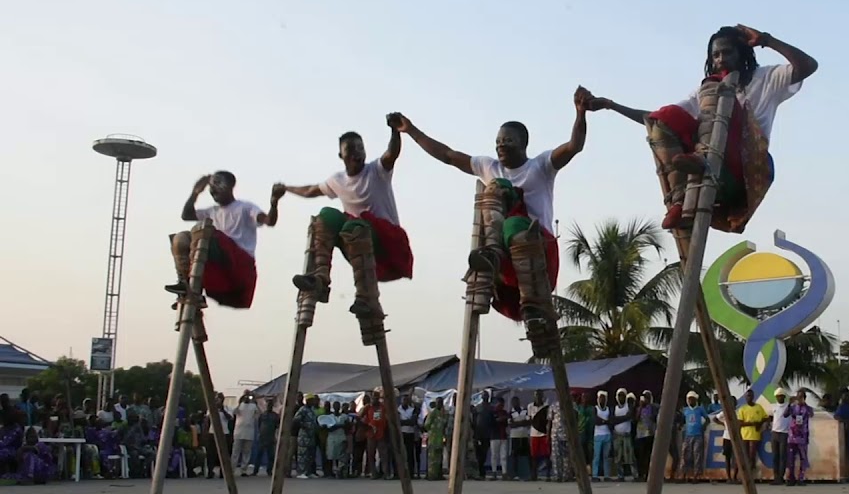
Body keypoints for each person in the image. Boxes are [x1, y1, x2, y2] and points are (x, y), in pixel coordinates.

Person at [388, 88, 589, 333]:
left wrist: (580, 113)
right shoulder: (488, 166)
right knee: (494, 189)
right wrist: (410, 131)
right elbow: (448, 156)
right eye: (498, 142)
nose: (501, 146)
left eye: (507, 140)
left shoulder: (540, 167)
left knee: (504, 197)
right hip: (504, 252)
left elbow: (573, 146)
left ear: (523, 144)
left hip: (536, 247)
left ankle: (531, 307)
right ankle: (492, 258)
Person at [585, 25, 818, 231]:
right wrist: (611, 106)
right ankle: (679, 199)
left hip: (745, 163)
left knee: (716, 89)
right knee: (664, 118)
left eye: (727, 52)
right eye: (715, 55)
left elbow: (808, 65)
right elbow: (656, 118)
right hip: (712, 154)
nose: (720, 60)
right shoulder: (704, 92)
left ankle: (702, 157)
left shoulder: (766, 77)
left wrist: (767, 40)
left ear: (742, 53)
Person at [280, 120, 409, 318]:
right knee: (325, 216)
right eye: (351, 149)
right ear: (341, 155)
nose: (357, 152)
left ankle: (366, 297)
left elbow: (392, 154)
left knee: (355, 224)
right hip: (355, 241)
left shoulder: (377, 171)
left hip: (386, 244)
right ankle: (320, 278)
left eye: (360, 148)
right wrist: (286, 189)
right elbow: (309, 191)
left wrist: (395, 131)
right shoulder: (337, 180)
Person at [165, 171, 283, 308]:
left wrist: (274, 203)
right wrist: (195, 192)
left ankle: (193, 286)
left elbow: (269, 221)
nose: (213, 189)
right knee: (181, 240)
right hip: (220, 266)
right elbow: (186, 215)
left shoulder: (245, 208)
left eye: (217, 184)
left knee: (205, 232)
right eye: (211, 186)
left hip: (240, 264)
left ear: (230, 186)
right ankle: (187, 287)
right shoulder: (213, 211)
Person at [736, 389, 768, 482]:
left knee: (752, 455)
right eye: (747, 396)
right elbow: (740, 423)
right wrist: (752, 423)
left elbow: (765, 418)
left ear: (753, 396)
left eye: (750, 396)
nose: (748, 397)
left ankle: (750, 475)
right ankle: (744, 476)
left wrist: (759, 423)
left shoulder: (759, 407)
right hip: (745, 435)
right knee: (745, 456)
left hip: (755, 435)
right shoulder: (742, 409)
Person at [784, 392, 815, 486]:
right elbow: (785, 415)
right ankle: (791, 478)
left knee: (803, 459)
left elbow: (811, 414)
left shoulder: (808, 408)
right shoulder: (793, 407)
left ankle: (800, 478)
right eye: (798, 396)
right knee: (790, 459)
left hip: (802, 437)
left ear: (804, 398)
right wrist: (789, 404)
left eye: (801, 397)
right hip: (792, 437)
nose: (799, 398)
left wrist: (804, 405)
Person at [679, 392, 709, 483]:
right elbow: (683, 420)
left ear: (695, 400)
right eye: (689, 399)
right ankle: (684, 475)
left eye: (692, 399)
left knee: (697, 455)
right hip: (688, 435)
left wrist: (704, 426)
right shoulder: (685, 410)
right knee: (685, 455)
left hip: (698, 435)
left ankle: (696, 476)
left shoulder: (700, 409)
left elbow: (707, 419)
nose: (690, 400)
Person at [231, 393, 259, 476]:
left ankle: (244, 470)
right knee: (236, 452)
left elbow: (258, 415)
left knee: (246, 452)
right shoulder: (240, 405)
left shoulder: (253, 406)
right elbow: (234, 412)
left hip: (249, 432)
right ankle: (232, 469)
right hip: (239, 432)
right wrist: (240, 401)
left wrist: (255, 401)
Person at [769, 390, 792, 485]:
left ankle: (781, 477)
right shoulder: (773, 406)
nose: (780, 398)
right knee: (775, 456)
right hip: (775, 433)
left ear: (784, 397)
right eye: (778, 396)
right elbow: (770, 417)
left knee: (783, 456)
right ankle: (775, 476)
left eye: (781, 396)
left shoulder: (788, 406)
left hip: (784, 433)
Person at [423, 398, 447, 481]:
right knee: (432, 458)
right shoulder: (433, 413)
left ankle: (439, 474)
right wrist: (433, 430)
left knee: (439, 457)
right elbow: (427, 425)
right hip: (433, 438)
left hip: (440, 438)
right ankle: (431, 475)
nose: (439, 404)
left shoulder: (443, 413)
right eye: (438, 403)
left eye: (441, 403)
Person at [591, 391, 612, 481]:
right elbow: (595, 420)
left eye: (603, 398)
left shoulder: (608, 409)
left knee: (606, 457)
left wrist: (602, 421)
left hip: (607, 435)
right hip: (598, 435)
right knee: (596, 456)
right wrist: (605, 421)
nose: (602, 399)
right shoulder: (595, 408)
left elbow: (611, 420)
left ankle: (607, 475)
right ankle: (595, 475)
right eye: (600, 398)